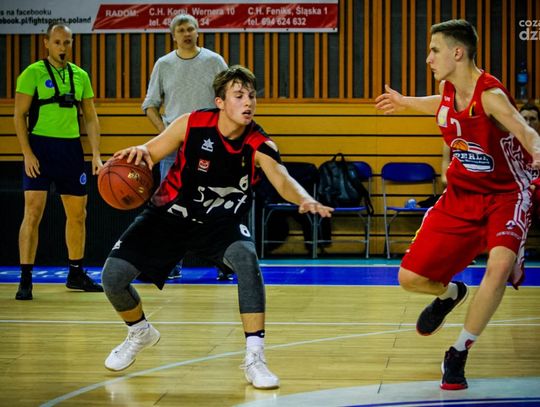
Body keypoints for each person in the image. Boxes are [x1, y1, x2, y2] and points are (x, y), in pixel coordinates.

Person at [101, 65, 333, 389]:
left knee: (246, 260)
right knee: (112, 277)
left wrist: (304, 198)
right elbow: (152, 151)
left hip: (221, 223)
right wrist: (141, 151)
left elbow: (281, 178)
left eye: (251, 96)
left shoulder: (259, 143)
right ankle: (140, 332)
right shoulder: (191, 123)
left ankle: (255, 358)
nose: (248, 102)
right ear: (220, 102)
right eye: (238, 96)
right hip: (170, 214)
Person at [375, 19, 540, 390]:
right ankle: (452, 292)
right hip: (462, 195)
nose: (429, 58)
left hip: (506, 195)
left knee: (499, 266)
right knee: (410, 278)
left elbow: (525, 129)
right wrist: (405, 102)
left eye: (434, 50)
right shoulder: (448, 89)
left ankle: (459, 350)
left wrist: (537, 150)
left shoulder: (490, 95)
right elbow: (442, 104)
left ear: (458, 53)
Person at [13, 22, 104, 300]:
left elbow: (90, 117)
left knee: (78, 215)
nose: (62, 47)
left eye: (67, 42)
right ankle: (25, 279)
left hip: (71, 151)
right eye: (57, 42)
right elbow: (19, 115)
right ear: (46, 43)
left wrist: (96, 154)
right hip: (40, 150)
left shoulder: (80, 75)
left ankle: (75, 273)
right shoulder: (32, 73)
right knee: (33, 213)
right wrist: (27, 153)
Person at [142, 13, 228, 280]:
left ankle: (223, 261)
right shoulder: (164, 64)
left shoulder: (214, 61)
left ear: (198, 32)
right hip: (174, 149)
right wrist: (166, 134)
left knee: (215, 202)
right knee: (171, 206)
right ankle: (171, 263)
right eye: (181, 30)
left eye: (190, 29)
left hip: (210, 144)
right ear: (173, 36)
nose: (186, 34)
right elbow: (149, 105)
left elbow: (229, 100)